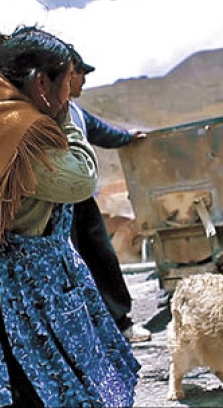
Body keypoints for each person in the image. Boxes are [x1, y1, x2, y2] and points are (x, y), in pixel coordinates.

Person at [0, 25, 140, 408]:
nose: (70, 92)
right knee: (35, 383)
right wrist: (65, 116)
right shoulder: (17, 133)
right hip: (1, 281)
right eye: (66, 81)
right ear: (40, 83)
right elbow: (80, 179)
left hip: (2, 264)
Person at [67, 46, 151, 343]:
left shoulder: (75, 111)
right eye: (80, 74)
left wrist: (128, 138)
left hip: (83, 202)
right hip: (54, 207)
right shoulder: (42, 113)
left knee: (103, 258)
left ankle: (121, 324)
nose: (84, 81)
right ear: (67, 74)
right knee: (68, 269)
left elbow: (102, 132)